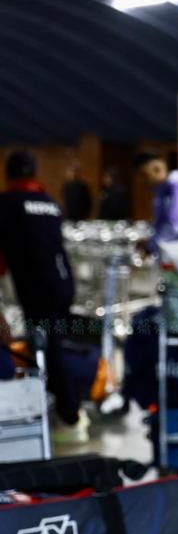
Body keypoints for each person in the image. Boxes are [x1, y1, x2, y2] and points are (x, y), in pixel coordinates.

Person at [0, 151, 88, 443]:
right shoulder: (49, 202)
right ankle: (64, 406)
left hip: (37, 288)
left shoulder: (7, 204)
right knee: (55, 343)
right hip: (63, 283)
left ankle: (70, 415)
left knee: (50, 347)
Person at [133, 150, 178, 256]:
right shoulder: (163, 190)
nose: (142, 181)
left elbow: (176, 226)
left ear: (157, 169)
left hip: (176, 258)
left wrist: (151, 245)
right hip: (168, 257)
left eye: (144, 174)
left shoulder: (175, 188)